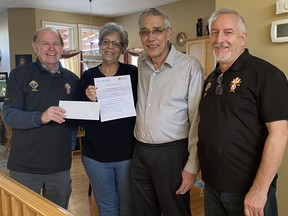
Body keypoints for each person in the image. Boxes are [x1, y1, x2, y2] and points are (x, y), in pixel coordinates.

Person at [198, 8, 288, 216]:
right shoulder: (211, 80)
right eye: (214, 32)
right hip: (212, 188)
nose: (220, 39)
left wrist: (259, 190)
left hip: (248, 192)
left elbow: (279, 135)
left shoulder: (266, 75)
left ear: (243, 37)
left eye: (228, 32)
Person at [131, 7, 204, 216]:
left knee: (175, 212)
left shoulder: (190, 67)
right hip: (140, 152)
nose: (151, 38)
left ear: (168, 33)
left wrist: (192, 165)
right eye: (145, 32)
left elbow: (197, 120)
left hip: (172, 154)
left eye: (157, 30)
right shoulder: (141, 64)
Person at [2, 27, 79, 209]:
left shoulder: (73, 79)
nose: (51, 48)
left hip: (60, 167)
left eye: (56, 44)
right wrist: (41, 117)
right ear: (35, 47)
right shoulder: (19, 75)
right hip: (25, 167)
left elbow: (77, 120)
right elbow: (9, 114)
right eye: (45, 43)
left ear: (62, 48)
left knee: (56, 212)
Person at [74, 22, 137, 216]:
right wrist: (88, 99)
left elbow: (145, 108)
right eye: (106, 42)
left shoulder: (133, 73)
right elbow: (79, 118)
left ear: (122, 49)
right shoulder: (88, 76)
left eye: (116, 44)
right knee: (107, 206)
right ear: (100, 44)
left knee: (128, 205)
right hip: (96, 156)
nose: (110, 47)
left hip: (128, 154)